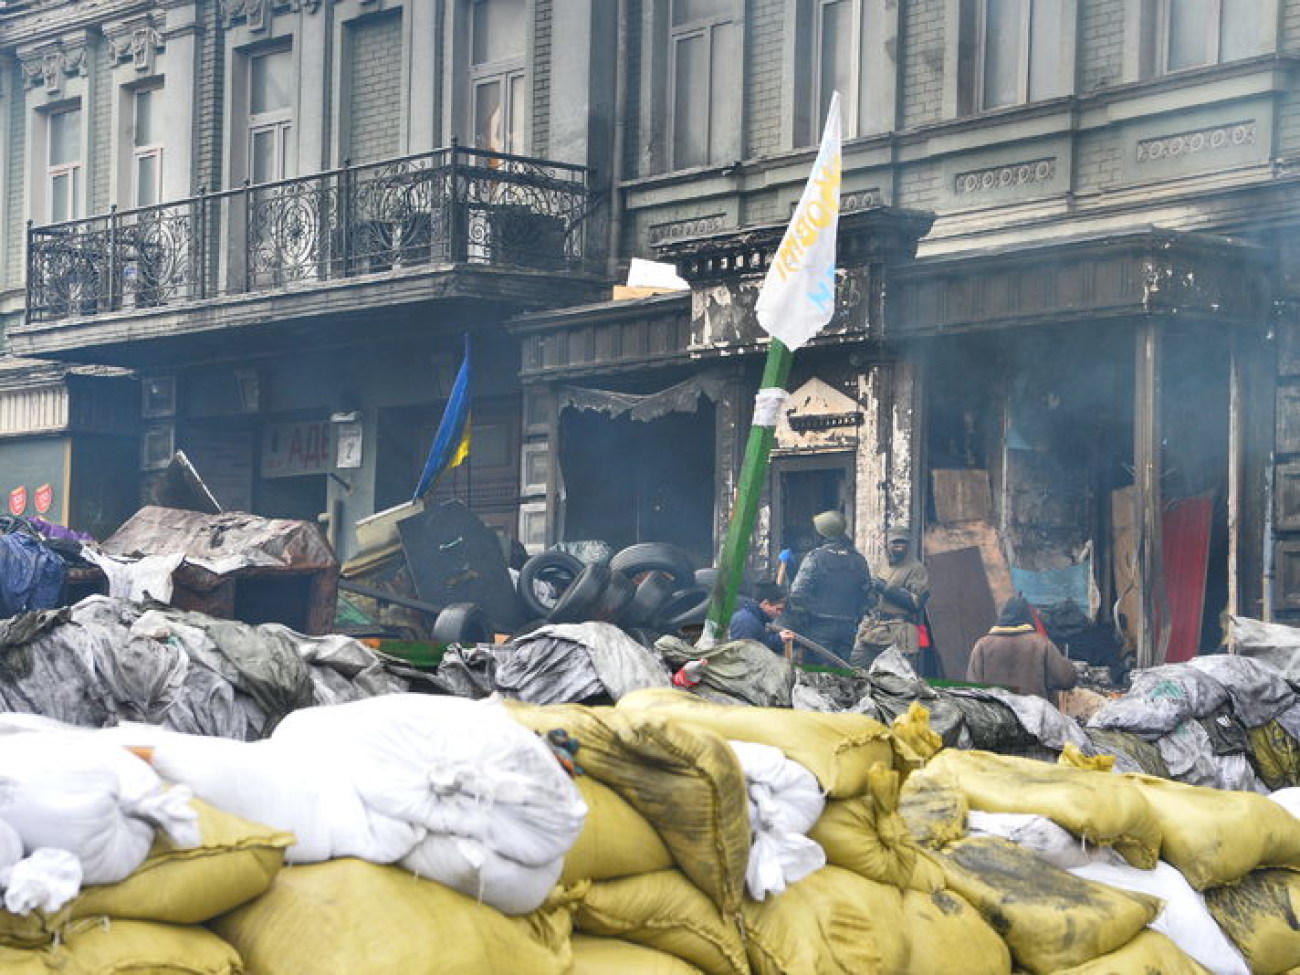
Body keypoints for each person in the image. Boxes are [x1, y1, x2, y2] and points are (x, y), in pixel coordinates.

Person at [786, 510, 872, 660]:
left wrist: (808, 612)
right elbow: (869, 595)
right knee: (842, 675)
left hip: (819, 626)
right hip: (848, 627)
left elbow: (797, 593)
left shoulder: (815, 557)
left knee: (818, 675)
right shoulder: (858, 560)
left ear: (822, 533)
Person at [966, 595, 1078, 700]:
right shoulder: (1041, 643)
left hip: (997, 717)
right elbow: (1066, 679)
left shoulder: (982, 646)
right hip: (1035, 717)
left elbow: (973, 688)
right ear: (1027, 617)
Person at [852, 526, 929, 669]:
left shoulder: (917, 568)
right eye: (896, 542)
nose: (900, 546)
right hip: (873, 629)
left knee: (896, 681)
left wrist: (886, 588)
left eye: (904, 543)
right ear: (887, 544)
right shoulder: (881, 564)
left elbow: (916, 603)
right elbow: (872, 599)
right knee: (854, 669)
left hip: (900, 633)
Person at [729, 579, 794, 655]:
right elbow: (749, 653)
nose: (779, 613)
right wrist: (778, 639)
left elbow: (760, 642)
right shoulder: (745, 622)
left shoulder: (754, 618)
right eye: (778, 609)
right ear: (765, 603)